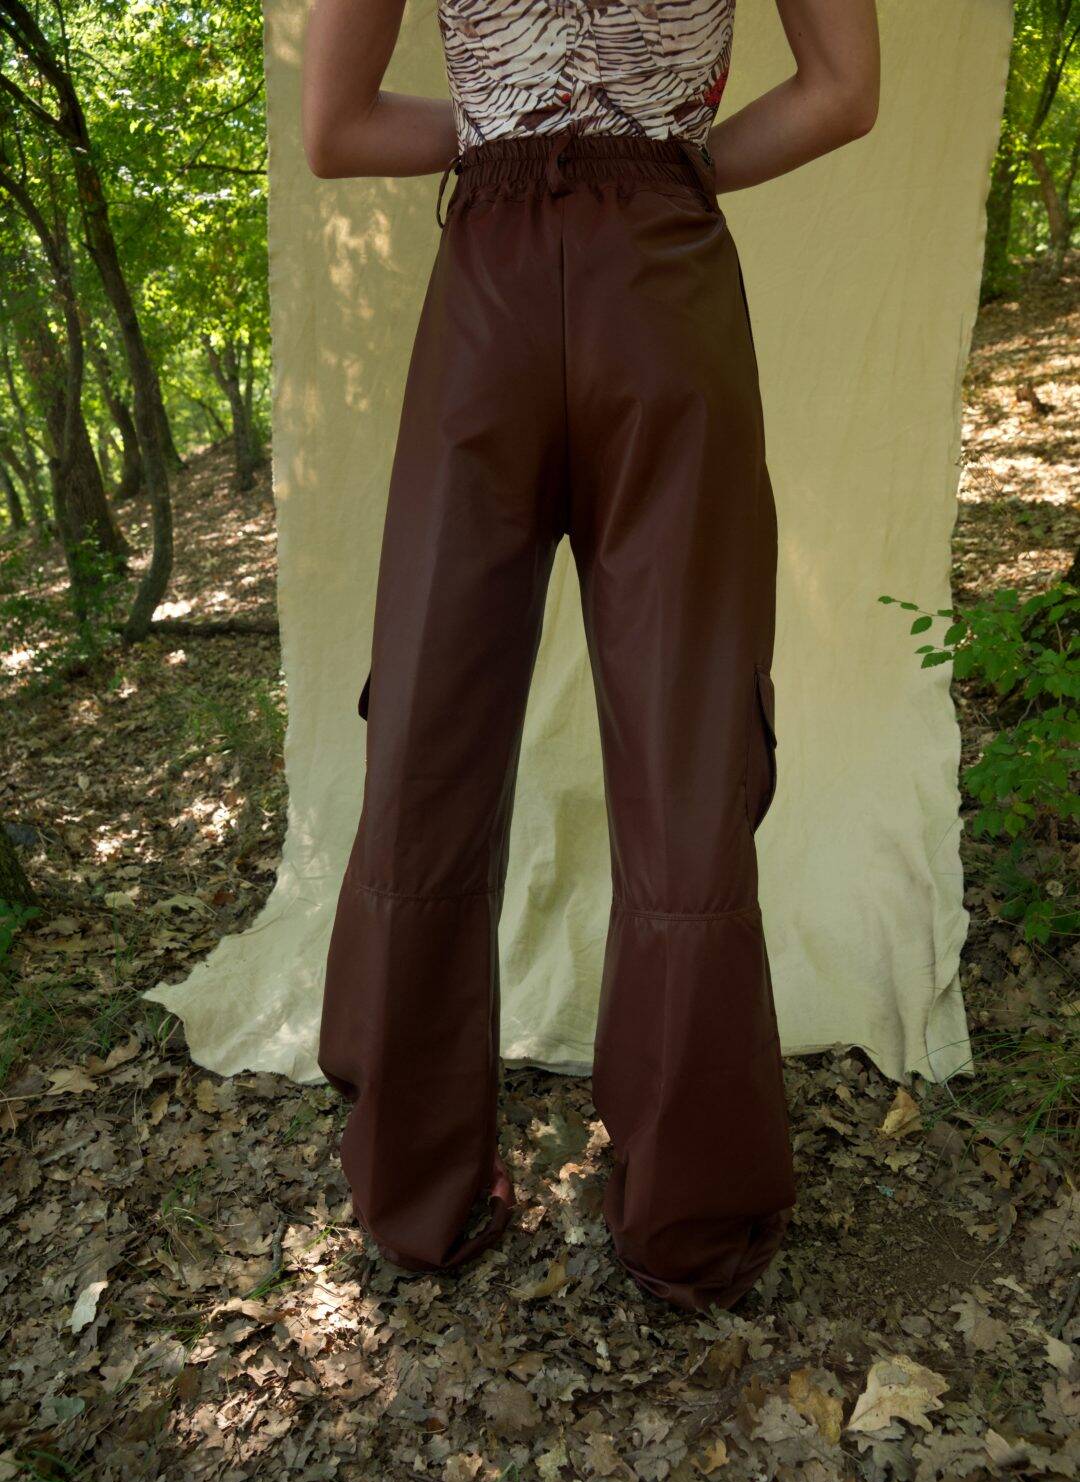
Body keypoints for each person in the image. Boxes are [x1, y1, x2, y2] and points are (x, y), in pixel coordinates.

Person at [303, 0, 879, 1312]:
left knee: (429, 736)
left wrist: (514, 131)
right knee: (688, 745)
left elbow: (336, 130)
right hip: (664, 288)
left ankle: (415, 1194)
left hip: (487, 303)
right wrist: (659, 158)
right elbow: (841, 93)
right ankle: (686, 1221)